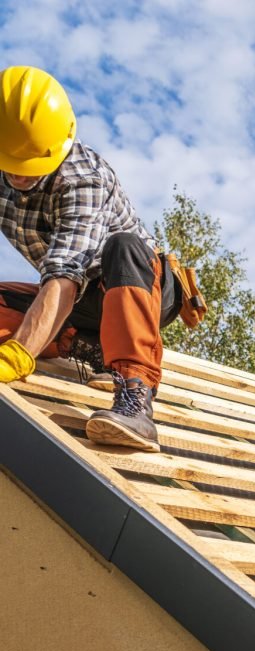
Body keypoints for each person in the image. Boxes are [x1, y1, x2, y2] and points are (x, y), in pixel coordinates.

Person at [0, 65, 182, 452]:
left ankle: (136, 399)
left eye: (29, 168)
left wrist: (19, 354)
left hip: (138, 287)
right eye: (11, 166)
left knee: (124, 246)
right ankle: (88, 347)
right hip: (82, 305)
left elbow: (64, 276)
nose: (18, 177)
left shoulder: (83, 178)